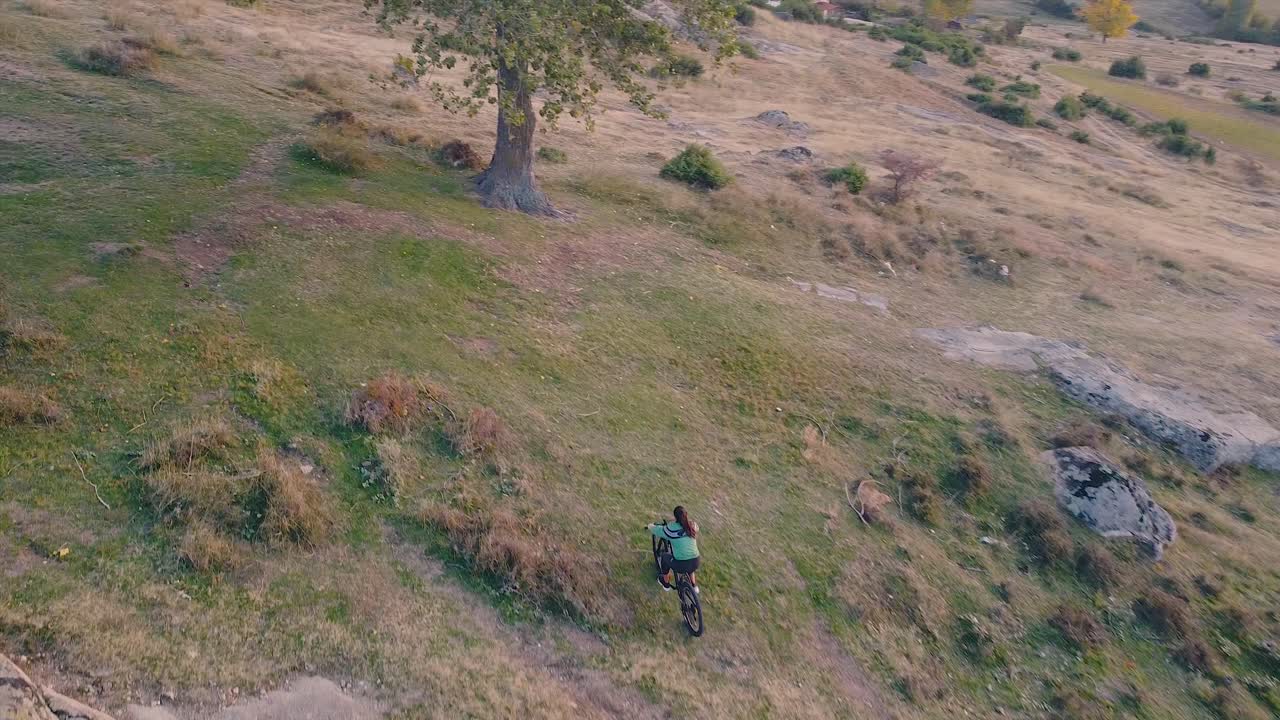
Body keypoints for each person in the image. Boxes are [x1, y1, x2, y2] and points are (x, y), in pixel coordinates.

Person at [648, 506, 700, 594]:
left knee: (664, 557)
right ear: (686, 515)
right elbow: (695, 529)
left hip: (681, 565)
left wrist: (650, 526)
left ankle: (666, 584)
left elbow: (658, 530)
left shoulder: (671, 529)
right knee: (690, 565)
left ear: (675, 516)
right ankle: (694, 586)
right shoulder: (693, 525)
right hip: (696, 561)